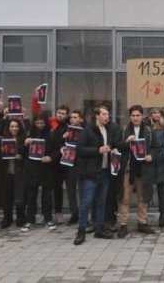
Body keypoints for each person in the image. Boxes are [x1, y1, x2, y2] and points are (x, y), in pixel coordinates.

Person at [73, 105, 121, 245]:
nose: (107, 116)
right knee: (86, 202)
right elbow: (80, 149)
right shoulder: (87, 130)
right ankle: (81, 231)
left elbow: (108, 146)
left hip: (104, 171)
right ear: (97, 116)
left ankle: (99, 229)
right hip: (90, 173)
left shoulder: (107, 129)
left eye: (108, 114)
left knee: (101, 201)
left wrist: (112, 150)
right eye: (104, 114)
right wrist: (97, 150)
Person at [116, 105, 155, 238]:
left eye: (138, 115)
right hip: (128, 168)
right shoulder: (125, 129)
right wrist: (126, 142)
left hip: (144, 168)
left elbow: (156, 148)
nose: (135, 118)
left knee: (143, 197)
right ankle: (123, 224)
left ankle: (142, 222)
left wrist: (152, 156)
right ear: (130, 116)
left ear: (142, 116)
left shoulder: (149, 130)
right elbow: (118, 147)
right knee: (124, 197)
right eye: (133, 115)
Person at [21, 113, 55, 232]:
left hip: (46, 169)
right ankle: (30, 220)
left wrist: (50, 157)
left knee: (47, 196)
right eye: (37, 123)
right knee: (31, 196)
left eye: (42, 123)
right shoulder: (29, 133)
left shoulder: (51, 134)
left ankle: (48, 219)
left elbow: (57, 150)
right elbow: (22, 153)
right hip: (32, 169)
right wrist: (26, 144)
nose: (40, 125)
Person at [146, 108, 164, 228]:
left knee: (161, 190)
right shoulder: (147, 126)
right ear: (150, 115)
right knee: (147, 189)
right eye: (154, 113)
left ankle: (162, 214)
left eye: (158, 113)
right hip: (149, 159)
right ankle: (144, 216)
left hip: (162, 159)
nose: (156, 115)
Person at [0, 119, 27, 229]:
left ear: (19, 128)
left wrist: (21, 156)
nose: (14, 128)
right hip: (7, 172)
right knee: (7, 196)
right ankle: (7, 218)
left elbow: (28, 157)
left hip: (20, 172)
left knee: (20, 197)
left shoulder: (24, 140)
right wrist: (1, 151)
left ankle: (20, 217)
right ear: (8, 128)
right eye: (12, 126)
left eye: (16, 126)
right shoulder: (3, 140)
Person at [50, 105, 70, 225]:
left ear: (66, 115)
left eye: (63, 113)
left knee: (58, 189)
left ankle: (58, 213)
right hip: (47, 161)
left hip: (60, 162)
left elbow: (61, 144)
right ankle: (45, 213)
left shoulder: (67, 127)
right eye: (59, 112)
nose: (60, 115)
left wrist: (62, 138)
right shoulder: (50, 124)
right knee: (47, 188)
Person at [64, 110, 85, 226]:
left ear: (81, 119)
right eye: (71, 117)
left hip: (81, 163)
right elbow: (58, 144)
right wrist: (63, 140)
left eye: (75, 117)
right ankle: (74, 214)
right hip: (69, 161)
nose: (72, 119)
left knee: (82, 190)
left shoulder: (86, 131)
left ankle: (84, 214)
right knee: (71, 189)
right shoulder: (66, 130)